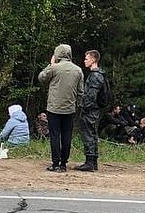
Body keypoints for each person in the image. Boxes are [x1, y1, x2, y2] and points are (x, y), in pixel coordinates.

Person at [37, 43, 84, 172]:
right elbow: (81, 91)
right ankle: (64, 163)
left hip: (54, 108)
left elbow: (41, 78)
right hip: (70, 108)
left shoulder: (54, 68)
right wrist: (77, 105)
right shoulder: (78, 70)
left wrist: (50, 64)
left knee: (55, 135)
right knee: (67, 135)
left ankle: (55, 163)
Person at [76, 49, 108, 172]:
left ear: (93, 60)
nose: (85, 61)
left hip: (90, 110)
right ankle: (92, 161)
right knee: (92, 134)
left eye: (87, 58)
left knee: (89, 134)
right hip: (94, 110)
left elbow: (91, 95)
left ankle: (90, 162)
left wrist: (85, 107)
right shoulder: (100, 75)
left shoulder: (95, 76)